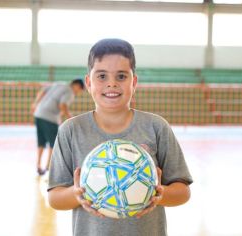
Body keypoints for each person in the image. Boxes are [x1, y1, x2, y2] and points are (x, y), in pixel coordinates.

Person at [47, 38, 193, 236]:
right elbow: (55, 198)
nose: (112, 84)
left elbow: (183, 192)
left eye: (122, 76)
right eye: (102, 76)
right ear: (89, 83)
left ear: (134, 82)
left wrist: (160, 194)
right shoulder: (71, 130)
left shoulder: (156, 127)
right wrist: (76, 194)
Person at [31, 79, 85, 175]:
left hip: (38, 114)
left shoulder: (58, 84)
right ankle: (48, 167)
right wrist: (71, 118)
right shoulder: (69, 92)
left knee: (41, 142)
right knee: (54, 144)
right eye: (79, 90)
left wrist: (35, 103)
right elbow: (62, 105)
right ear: (77, 86)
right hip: (50, 118)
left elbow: (42, 91)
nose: (78, 92)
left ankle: (38, 165)